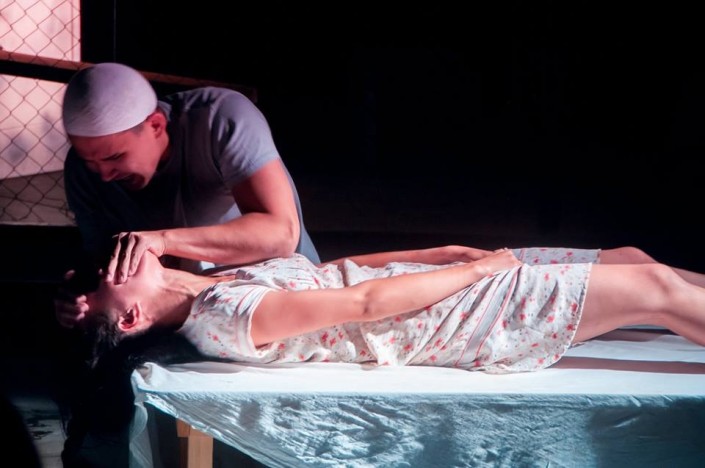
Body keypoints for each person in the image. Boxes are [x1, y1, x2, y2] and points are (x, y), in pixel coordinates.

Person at [77, 244, 705, 374]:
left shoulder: (212, 284)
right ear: (130, 319)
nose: (111, 266)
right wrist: (474, 271)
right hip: (446, 314)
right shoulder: (228, 317)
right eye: (107, 282)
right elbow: (364, 302)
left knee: (630, 258)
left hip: (433, 282)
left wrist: (440, 253)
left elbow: (337, 267)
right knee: (653, 287)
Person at [56, 61, 320, 329]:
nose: (104, 175)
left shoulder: (219, 118)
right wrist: (83, 295)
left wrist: (163, 240)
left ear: (156, 125)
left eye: (115, 157)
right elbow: (103, 263)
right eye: (90, 161)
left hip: (284, 299)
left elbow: (281, 233)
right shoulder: (80, 171)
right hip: (184, 320)